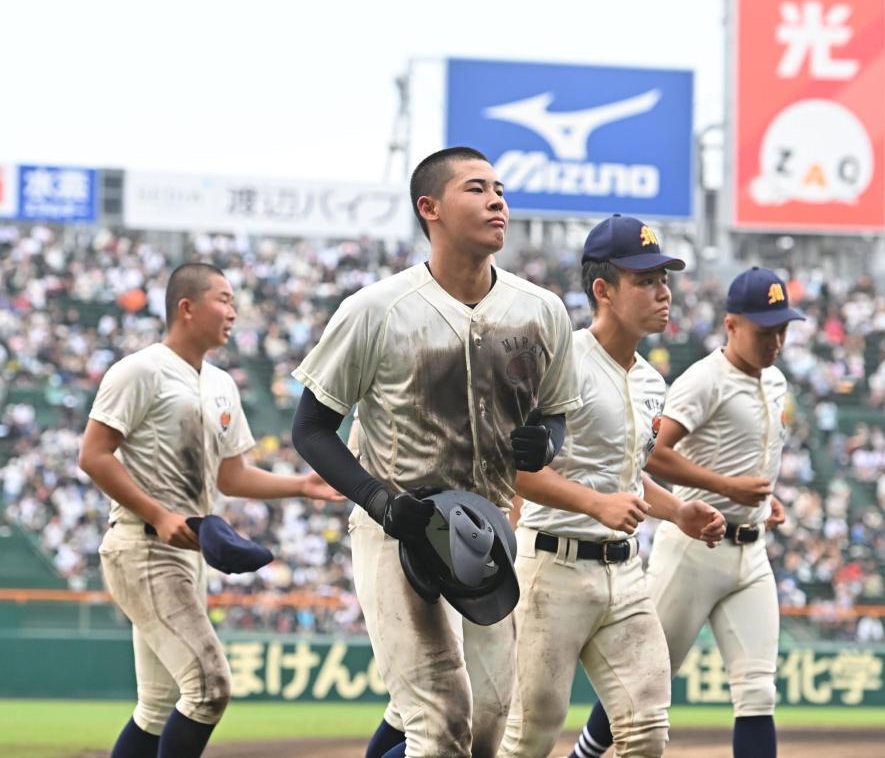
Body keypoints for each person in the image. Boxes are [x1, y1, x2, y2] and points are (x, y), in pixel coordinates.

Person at [290, 146, 581, 758]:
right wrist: (376, 499)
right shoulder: (375, 309)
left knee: (486, 726)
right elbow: (312, 428)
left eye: (499, 188)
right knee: (440, 721)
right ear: (431, 209)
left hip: (490, 531)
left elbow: (555, 413)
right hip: (400, 527)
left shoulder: (541, 310)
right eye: (476, 189)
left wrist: (545, 439)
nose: (497, 199)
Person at [79, 262, 339, 758]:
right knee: (209, 687)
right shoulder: (140, 370)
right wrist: (156, 512)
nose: (233, 313)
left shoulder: (222, 383)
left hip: (186, 553)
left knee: (158, 707)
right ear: (187, 307)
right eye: (223, 300)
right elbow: (93, 455)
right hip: (142, 544)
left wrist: (301, 486)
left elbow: (231, 476)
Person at [497, 215, 725, 758]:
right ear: (603, 289)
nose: (663, 292)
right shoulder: (559, 360)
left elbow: (625, 473)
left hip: (625, 576)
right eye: (645, 280)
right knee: (529, 736)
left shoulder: (650, 379)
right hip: (552, 568)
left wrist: (677, 512)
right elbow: (514, 466)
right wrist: (596, 504)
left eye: (664, 279)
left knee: (646, 732)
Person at [570, 266, 802, 758]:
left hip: (751, 551)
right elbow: (651, 454)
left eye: (782, 328)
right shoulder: (704, 380)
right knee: (643, 683)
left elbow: (750, 457)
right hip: (694, 552)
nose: (775, 340)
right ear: (732, 324)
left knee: (758, 691)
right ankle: (584, 754)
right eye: (765, 330)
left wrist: (764, 497)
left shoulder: (777, 381)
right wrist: (726, 488)